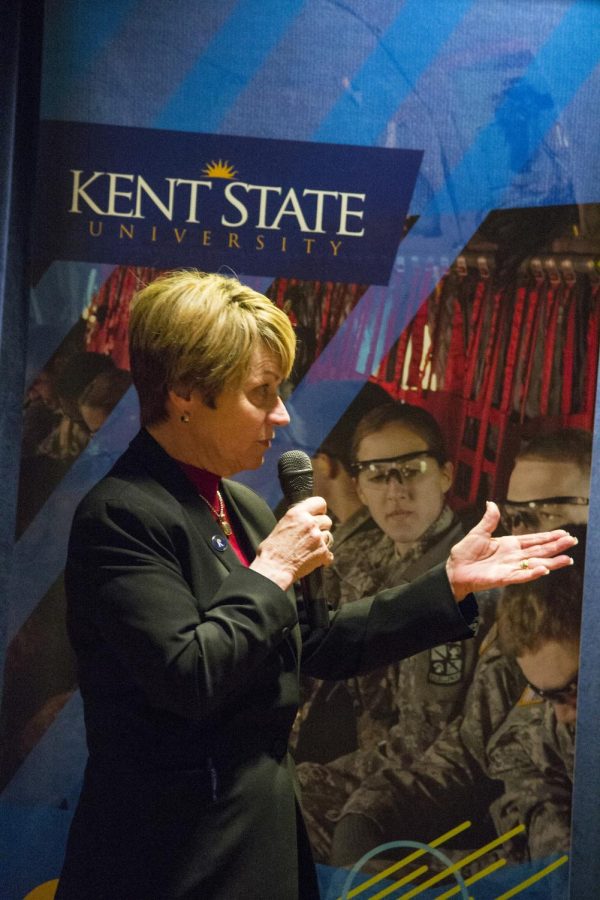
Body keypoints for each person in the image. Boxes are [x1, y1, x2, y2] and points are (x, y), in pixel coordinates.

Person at [55, 271, 575, 900]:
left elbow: (318, 644)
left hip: (261, 841)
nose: (281, 414)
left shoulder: (240, 506)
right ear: (186, 392)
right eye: (261, 392)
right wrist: (272, 570)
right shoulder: (123, 513)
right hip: (174, 859)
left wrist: (447, 585)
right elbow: (186, 677)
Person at [327, 429, 590, 869]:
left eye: (546, 513)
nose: (524, 533)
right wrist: (369, 814)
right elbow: (467, 750)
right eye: (516, 517)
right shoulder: (520, 610)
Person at [296, 403, 496, 857]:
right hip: (358, 753)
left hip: (432, 789)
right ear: (359, 488)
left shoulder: (468, 579)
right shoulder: (361, 557)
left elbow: (421, 744)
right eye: (377, 475)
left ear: (445, 475)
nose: (395, 491)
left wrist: (307, 775)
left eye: (411, 470)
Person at [485, 539, 583, 865]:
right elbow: (515, 750)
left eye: (575, 688)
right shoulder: (564, 710)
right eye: (547, 695)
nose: (563, 715)